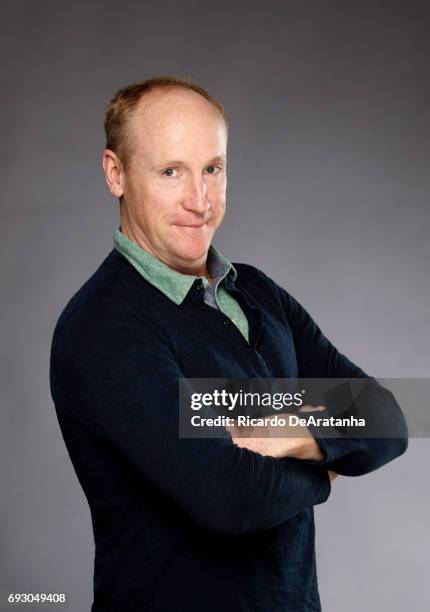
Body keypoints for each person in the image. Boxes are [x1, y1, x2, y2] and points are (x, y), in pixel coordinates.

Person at [49, 76, 408, 612]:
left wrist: (292, 429)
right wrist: (328, 466)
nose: (200, 200)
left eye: (212, 169)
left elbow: (389, 418)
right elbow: (230, 497)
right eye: (171, 171)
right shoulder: (103, 327)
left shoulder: (258, 292)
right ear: (115, 173)